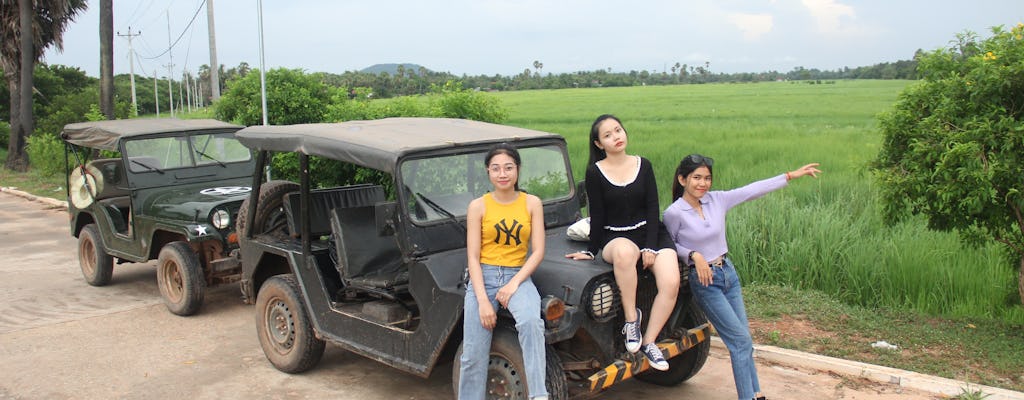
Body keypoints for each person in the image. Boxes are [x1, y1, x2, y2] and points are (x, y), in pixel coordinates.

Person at [663, 154, 821, 400]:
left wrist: (790, 175)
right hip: (705, 282)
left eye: (707, 178)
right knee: (740, 342)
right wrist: (693, 255)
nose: (703, 184)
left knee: (744, 341)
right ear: (682, 179)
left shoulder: (717, 200)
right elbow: (668, 246)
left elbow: (752, 190)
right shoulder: (674, 213)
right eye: (696, 178)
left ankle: (756, 393)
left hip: (728, 274)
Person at [565, 114, 677, 371]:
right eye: (608, 135)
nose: (616, 136)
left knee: (670, 282)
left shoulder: (643, 165)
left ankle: (649, 342)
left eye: (618, 130)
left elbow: (652, 208)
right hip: (616, 236)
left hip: (651, 232)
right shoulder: (595, 172)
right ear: (598, 144)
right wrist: (592, 251)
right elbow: (599, 215)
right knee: (626, 254)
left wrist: (650, 247)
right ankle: (631, 319)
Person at [459, 143, 549, 400]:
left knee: (532, 323)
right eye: (496, 168)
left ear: (518, 170)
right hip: (483, 277)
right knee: (473, 354)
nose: (503, 174)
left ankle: (539, 395)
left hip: (518, 276)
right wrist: (483, 301)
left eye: (509, 168)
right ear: (488, 172)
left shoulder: (532, 203)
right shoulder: (478, 206)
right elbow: (473, 257)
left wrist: (513, 284)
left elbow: (538, 251)